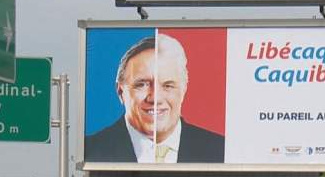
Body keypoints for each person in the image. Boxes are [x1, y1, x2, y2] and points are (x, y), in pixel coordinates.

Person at [86, 34, 224, 163]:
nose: (155, 98)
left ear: (183, 90)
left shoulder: (220, 149)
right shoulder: (91, 150)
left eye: (168, 85)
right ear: (121, 91)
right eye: (142, 84)